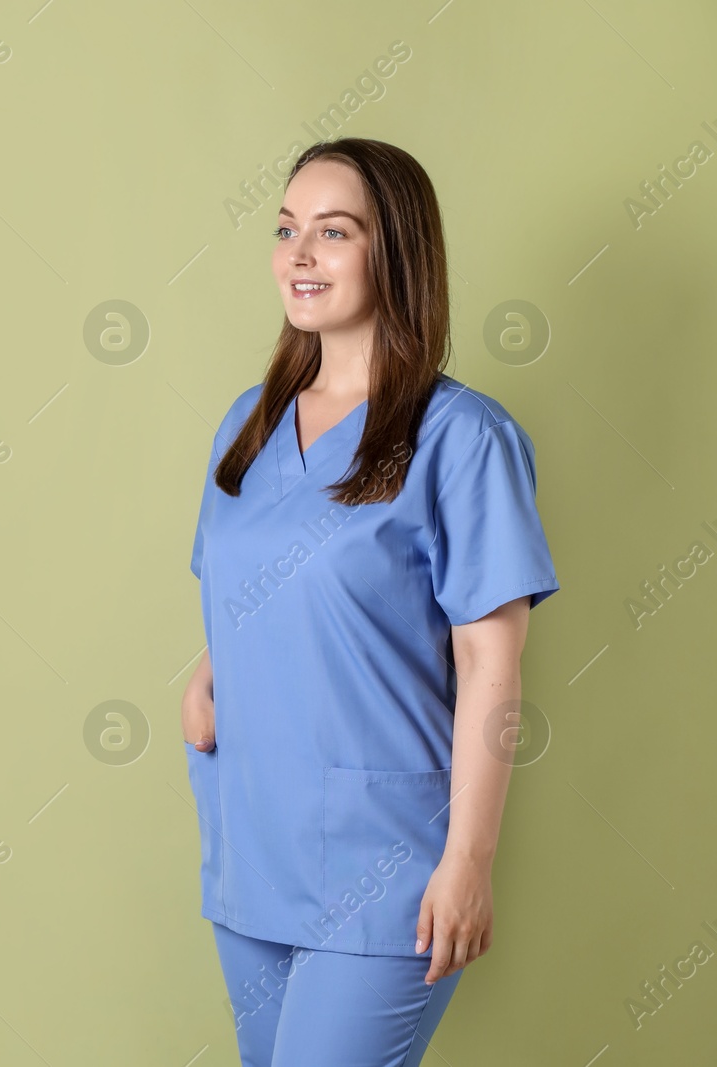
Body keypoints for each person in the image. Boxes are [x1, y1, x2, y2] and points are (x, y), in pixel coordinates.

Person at [181, 137, 561, 1066]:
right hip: (250, 840)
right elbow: (259, 588)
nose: (298, 256)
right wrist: (205, 669)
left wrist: (468, 860)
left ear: (394, 251)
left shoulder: (463, 437)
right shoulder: (250, 420)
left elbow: (491, 664)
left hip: (385, 856)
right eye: (285, 229)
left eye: (333, 231)